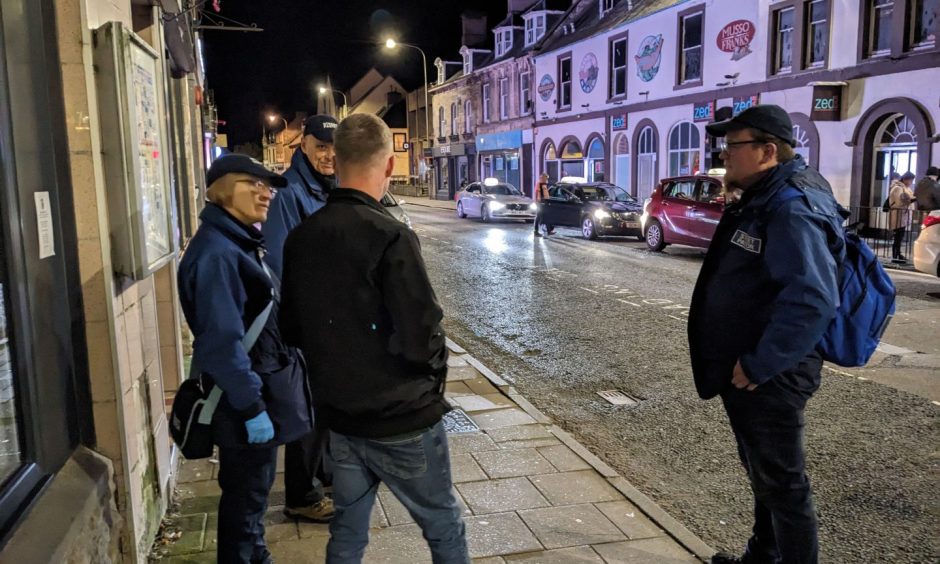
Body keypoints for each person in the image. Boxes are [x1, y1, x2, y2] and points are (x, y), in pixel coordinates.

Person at [279, 113, 470, 564]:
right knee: (442, 525)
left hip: (341, 418)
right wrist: (431, 382)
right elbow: (422, 330)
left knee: (348, 528)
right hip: (402, 416)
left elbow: (291, 328)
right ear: (387, 167)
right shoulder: (390, 235)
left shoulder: (302, 237)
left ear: (337, 159)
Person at [689, 105, 845, 564]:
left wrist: (759, 363)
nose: (723, 156)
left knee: (784, 484)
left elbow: (813, 299)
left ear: (768, 151)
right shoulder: (768, 194)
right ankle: (763, 556)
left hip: (769, 374)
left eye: (732, 146)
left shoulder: (791, 207)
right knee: (766, 475)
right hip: (754, 368)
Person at [178, 154, 314, 564]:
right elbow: (221, 343)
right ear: (221, 189)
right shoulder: (219, 253)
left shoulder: (235, 241)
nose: (265, 192)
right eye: (251, 183)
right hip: (244, 403)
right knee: (245, 499)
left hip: (254, 394)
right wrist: (253, 406)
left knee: (250, 499)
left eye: (268, 185)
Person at [259, 114, 338, 524]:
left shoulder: (328, 188)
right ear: (303, 145)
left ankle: (324, 476)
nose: (329, 154)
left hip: (329, 318)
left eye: (333, 148)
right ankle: (301, 494)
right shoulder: (289, 192)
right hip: (307, 320)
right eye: (321, 146)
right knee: (306, 407)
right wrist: (303, 319)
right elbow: (277, 262)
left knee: (324, 403)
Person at [888, 171, 915, 262]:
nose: (911, 182)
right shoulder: (898, 188)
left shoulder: (905, 188)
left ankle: (898, 254)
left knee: (900, 235)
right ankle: (895, 255)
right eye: (910, 180)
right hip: (898, 215)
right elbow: (900, 202)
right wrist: (910, 200)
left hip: (903, 215)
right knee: (898, 236)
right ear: (905, 179)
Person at [533, 172, 554, 237]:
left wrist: (548, 199)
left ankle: (549, 230)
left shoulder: (544, 184)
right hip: (540, 203)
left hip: (544, 202)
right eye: (546, 178)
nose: (546, 179)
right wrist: (538, 201)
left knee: (546, 216)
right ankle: (536, 231)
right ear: (542, 177)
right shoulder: (539, 184)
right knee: (538, 217)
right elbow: (538, 193)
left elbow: (546, 193)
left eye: (547, 178)